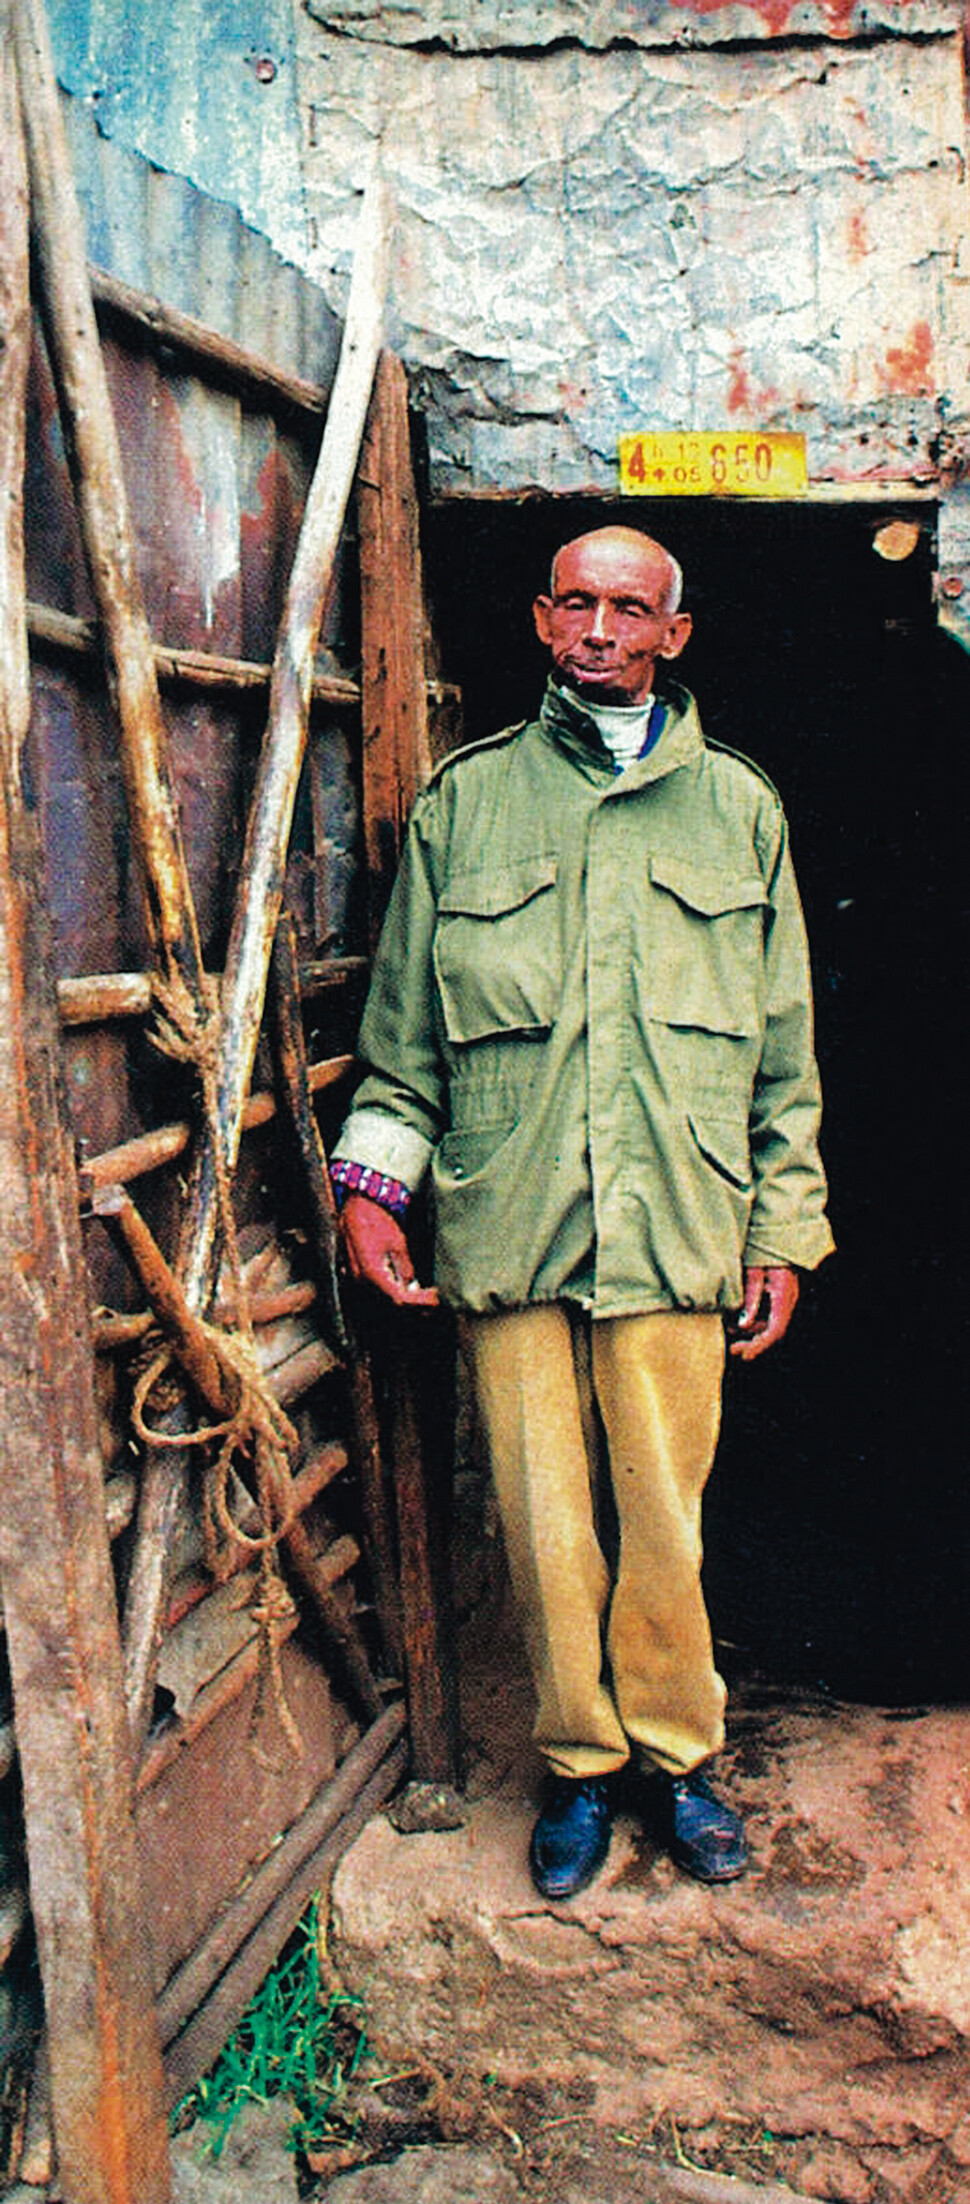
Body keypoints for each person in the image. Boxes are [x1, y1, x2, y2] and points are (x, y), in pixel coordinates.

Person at [331, 526, 833, 1899]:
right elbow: (401, 1044)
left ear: (674, 634)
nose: (601, 630)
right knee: (545, 1516)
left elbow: (783, 1052)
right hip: (509, 1218)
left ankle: (676, 1758)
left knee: (661, 1515)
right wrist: (376, 1192)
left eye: (631, 610)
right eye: (579, 605)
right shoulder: (466, 804)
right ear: (542, 619)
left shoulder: (738, 810)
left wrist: (781, 1227)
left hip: (675, 1216)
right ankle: (577, 1770)